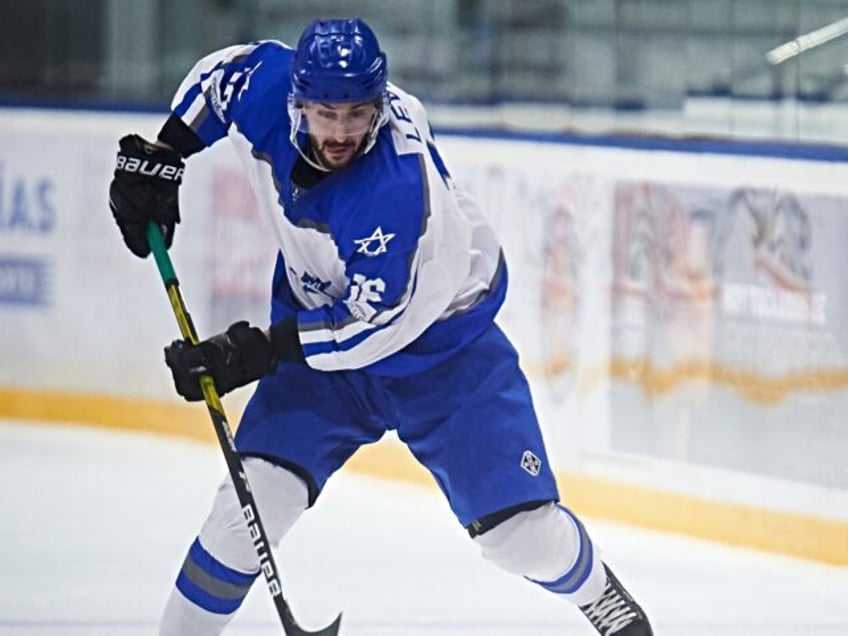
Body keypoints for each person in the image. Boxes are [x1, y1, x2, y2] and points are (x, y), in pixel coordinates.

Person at [108, 18, 654, 636]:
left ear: (379, 103)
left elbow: (375, 329)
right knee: (245, 512)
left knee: (519, 541)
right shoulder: (266, 85)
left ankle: (602, 597)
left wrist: (254, 351)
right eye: (325, 113)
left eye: (357, 114)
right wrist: (163, 153)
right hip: (325, 339)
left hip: (442, 351)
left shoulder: (393, 191)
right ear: (296, 100)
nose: (341, 132)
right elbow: (218, 75)